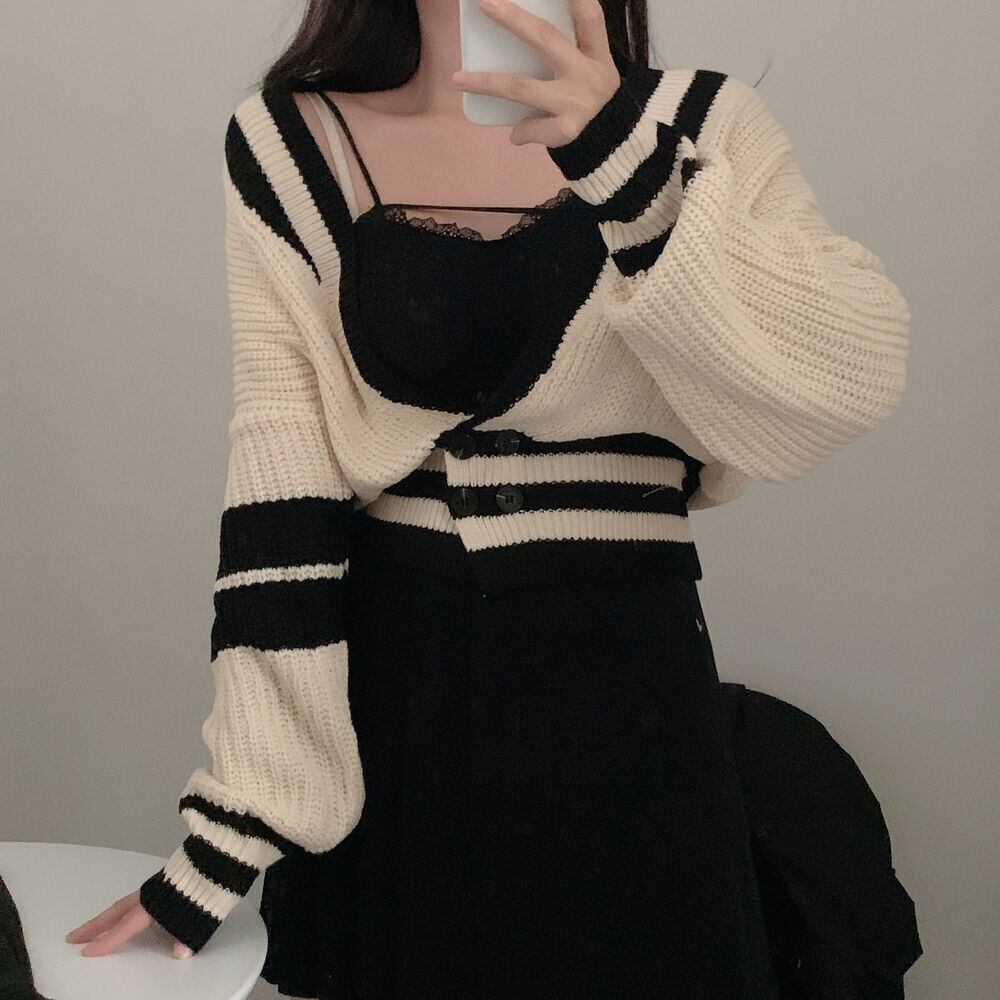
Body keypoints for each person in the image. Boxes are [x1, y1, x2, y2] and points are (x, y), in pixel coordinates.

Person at [65, 0, 912, 996]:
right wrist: (233, 826)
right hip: (403, 689)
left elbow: (845, 374)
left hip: (628, 681)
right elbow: (282, 473)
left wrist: (628, 165)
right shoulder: (294, 138)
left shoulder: (700, 123)